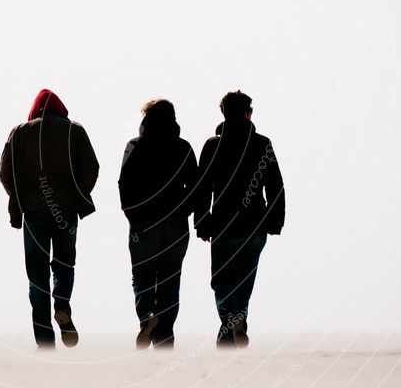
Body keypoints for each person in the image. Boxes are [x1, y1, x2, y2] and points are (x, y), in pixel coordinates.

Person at [0, 89, 99, 348]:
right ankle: (62, 305)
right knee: (65, 264)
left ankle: (44, 341)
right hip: (65, 210)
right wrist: (78, 194)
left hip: (33, 212)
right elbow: (92, 168)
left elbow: (4, 171)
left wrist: (19, 196)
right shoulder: (75, 131)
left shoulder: (20, 132)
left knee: (37, 275)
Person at [194, 91, 285, 348]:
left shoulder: (213, 145)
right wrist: (275, 221)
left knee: (222, 281)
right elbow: (275, 186)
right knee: (244, 281)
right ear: (248, 113)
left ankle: (230, 320)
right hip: (255, 225)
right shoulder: (262, 144)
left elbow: (202, 188)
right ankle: (236, 323)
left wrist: (202, 222)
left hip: (224, 225)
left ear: (223, 113)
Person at [119, 99, 198, 348]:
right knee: (170, 281)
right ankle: (164, 340)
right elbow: (196, 186)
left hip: (143, 224)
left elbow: (124, 183)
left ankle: (147, 317)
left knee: (141, 278)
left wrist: (133, 214)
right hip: (175, 225)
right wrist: (183, 210)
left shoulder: (135, 146)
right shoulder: (183, 147)